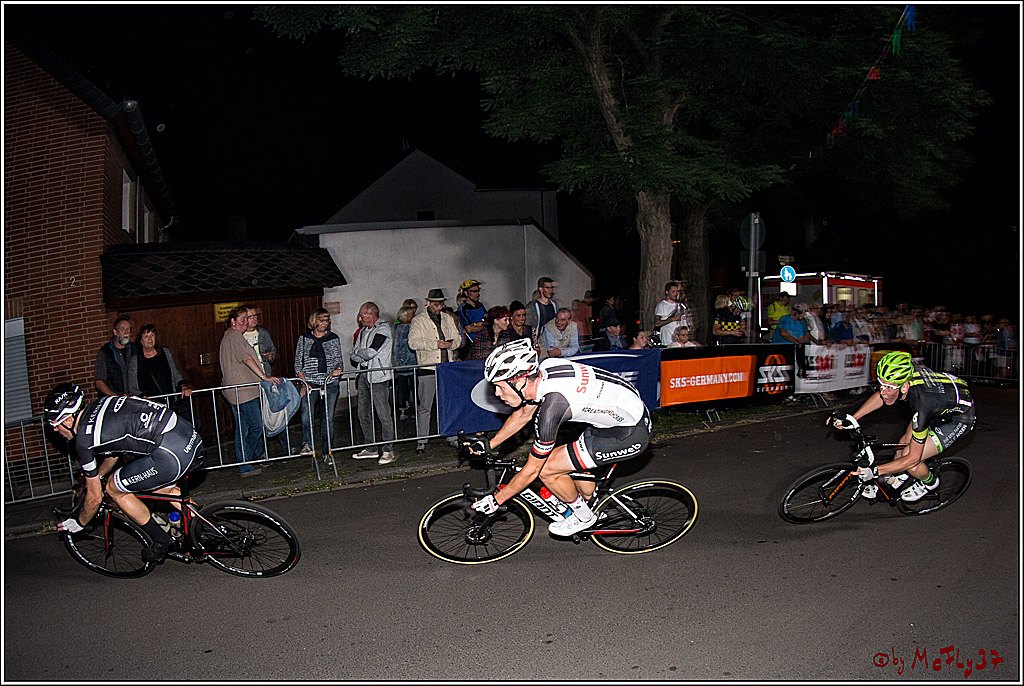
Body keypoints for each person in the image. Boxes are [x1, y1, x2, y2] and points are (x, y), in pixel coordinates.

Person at [467, 339, 652, 537]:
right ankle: (591, 504)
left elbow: (532, 471)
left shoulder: (553, 407)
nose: (496, 393)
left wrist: (497, 500)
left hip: (629, 433)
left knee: (547, 469)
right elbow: (523, 414)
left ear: (519, 381)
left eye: (500, 387)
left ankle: (584, 518)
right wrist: (490, 444)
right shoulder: (545, 369)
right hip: (618, 417)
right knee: (576, 471)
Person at [47, 382, 203, 562]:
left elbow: (95, 498)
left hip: (170, 454)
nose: (55, 430)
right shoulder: (100, 404)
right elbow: (114, 452)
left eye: (55, 424)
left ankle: (162, 540)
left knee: (114, 489)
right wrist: (98, 474)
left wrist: (80, 522)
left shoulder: (83, 442)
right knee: (164, 490)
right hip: (189, 436)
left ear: (68, 420)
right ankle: (206, 528)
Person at [829, 351, 975, 502]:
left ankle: (930, 483)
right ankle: (898, 477)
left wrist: (876, 471)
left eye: (888, 387)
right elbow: (881, 397)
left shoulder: (923, 405)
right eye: (881, 385)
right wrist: (853, 417)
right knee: (904, 441)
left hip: (958, 417)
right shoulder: (902, 376)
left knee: (911, 461)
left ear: (904, 387)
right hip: (940, 400)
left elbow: (912, 459)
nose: (883, 392)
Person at [220, 305, 282, 476]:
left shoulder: (230, 337)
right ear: (233, 321)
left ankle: (246, 464)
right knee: (256, 426)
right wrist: (263, 376)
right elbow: (246, 358)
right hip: (243, 391)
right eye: (242, 319)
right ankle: (245, 461)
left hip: (239, 390)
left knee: (243, 429)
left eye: (247, 319)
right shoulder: (234, 337)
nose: (245, 323)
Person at [408, 288, 462, 453]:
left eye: (441, 304)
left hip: (446, 368)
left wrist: (451, 344)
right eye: (435, 304)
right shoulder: (418, 320)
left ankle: (451, 436)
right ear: (428, 303)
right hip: (428, 368)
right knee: (425, 406)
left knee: (448, 404)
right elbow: (413, 343)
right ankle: (422, 440)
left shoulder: (448, 318)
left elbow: (458, 338)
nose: (439, 307)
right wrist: (435, 344)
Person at [294, 308, 344, 463]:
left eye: (327, 320)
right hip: (309, 383)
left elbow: (338, 360)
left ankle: (327, 451)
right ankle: (307, 444)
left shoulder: (333, 338)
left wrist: (338, 370)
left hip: (328, 383)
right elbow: (298, 363)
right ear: (314, 321)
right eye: (322, 320)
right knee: (306, 413)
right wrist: (303, 382)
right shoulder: (304, 339)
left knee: (327, 418)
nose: (324, 323)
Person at [350, 302, 397, 465]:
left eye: (362, 315)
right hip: (363, 374)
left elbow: (370, 352)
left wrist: (359, 353)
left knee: (383, 413)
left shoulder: (382, 329)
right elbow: (353, 354)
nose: (360, 318)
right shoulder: (363, 331)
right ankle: (370, 447)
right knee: (363, 412)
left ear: (372, 314)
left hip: (378, 376)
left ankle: (388, 449)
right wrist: (360, 353)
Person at [129, 323, 195, 427]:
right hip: (152, 407)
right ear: (141, 340)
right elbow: (132, 387)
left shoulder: (165, 353)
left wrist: (183, 386)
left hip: (171, 403)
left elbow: (175, 373)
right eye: (146, 336)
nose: (150, 339)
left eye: (152, 335)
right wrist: (144, 397)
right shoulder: (135, 360)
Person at [94, 315, 138, 397]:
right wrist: (116, 397)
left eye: (128, 329)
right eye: (122, 329)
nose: (126, 332)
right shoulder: (105, 352)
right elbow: (99, 382)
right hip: (114, 399)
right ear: (115, 332)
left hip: (133, 398)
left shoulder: (135, 349)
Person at [393, 304, 418, 421]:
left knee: (402, 389)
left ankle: (402, 411)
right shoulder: (410, 328)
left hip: (400, 363)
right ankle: (417, 409)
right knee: (415, 388)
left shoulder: (395, 328)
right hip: (412, 362)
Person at [244, 306, 278, 377]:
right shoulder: (239, 336)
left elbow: (272, 351)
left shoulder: (263, 333)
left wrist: (270, 356)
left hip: (264, 372)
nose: (254, 319)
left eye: (255, 316)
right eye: (250, 317)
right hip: (247, 375)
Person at [654, 281, 688, 347]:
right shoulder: (662, 305)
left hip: (680, 342)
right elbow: (657, 323)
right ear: (667, 292)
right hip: (668, 341)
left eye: (677, 291)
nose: (676, 294)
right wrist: (673, 319)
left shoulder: (681, 305)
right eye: (673, 291)